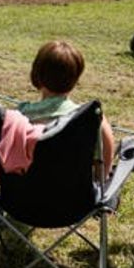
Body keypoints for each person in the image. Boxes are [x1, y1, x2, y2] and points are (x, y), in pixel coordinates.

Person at [18, 40, 115, 179]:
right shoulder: (92, 118)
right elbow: (103, 171)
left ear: (36, 74)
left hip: (21, 198)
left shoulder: (17, 118)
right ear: (75, 79)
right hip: (76, 198)